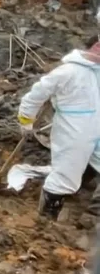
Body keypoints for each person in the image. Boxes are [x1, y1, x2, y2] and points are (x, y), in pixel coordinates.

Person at [18, 37, 100, 220]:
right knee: (66, 172)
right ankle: (47, 218)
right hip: (74, 129)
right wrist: (26, 119)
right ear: (97, 47)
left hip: (96, 128)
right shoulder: (68, 72)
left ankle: (86, 205)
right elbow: (36, 95)